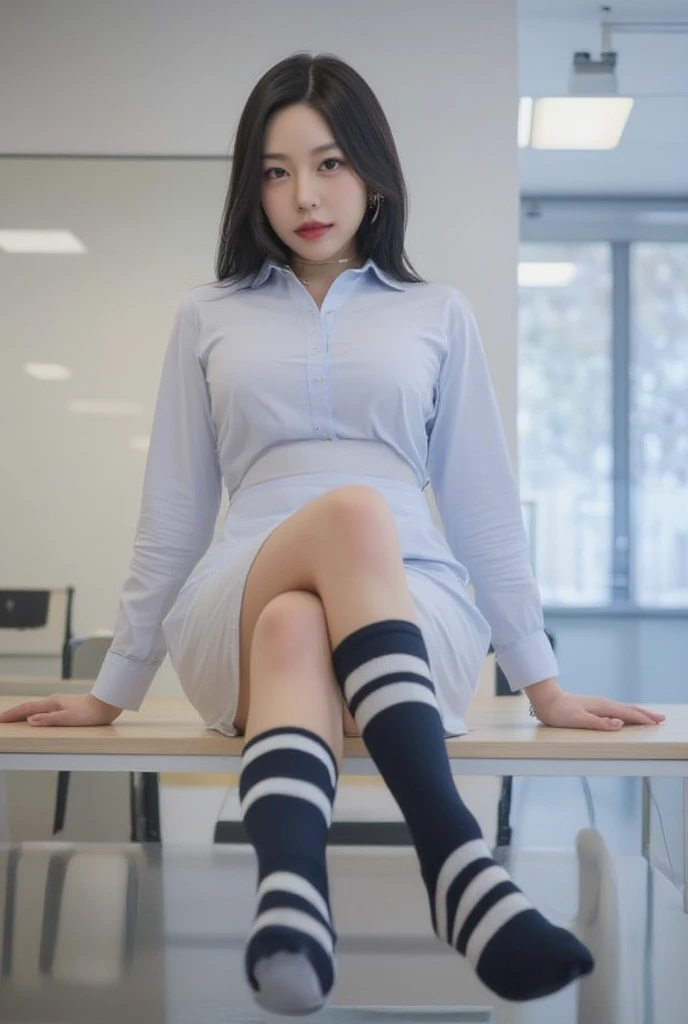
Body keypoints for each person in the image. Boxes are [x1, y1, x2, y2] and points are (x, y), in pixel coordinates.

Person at [0, 52, 665, 1016]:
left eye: (328, 163)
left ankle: (291, 900)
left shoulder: (438, 315)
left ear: (372, 172)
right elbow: (176, 517)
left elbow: (480, 506)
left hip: (411, 614)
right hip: (236, 602)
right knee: (340, 528)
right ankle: (457, 866)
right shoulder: (208, 317)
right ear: (251, 186)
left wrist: (542, 682)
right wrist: (116, 690)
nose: (304, 194)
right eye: (275, 171)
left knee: (302, 622)